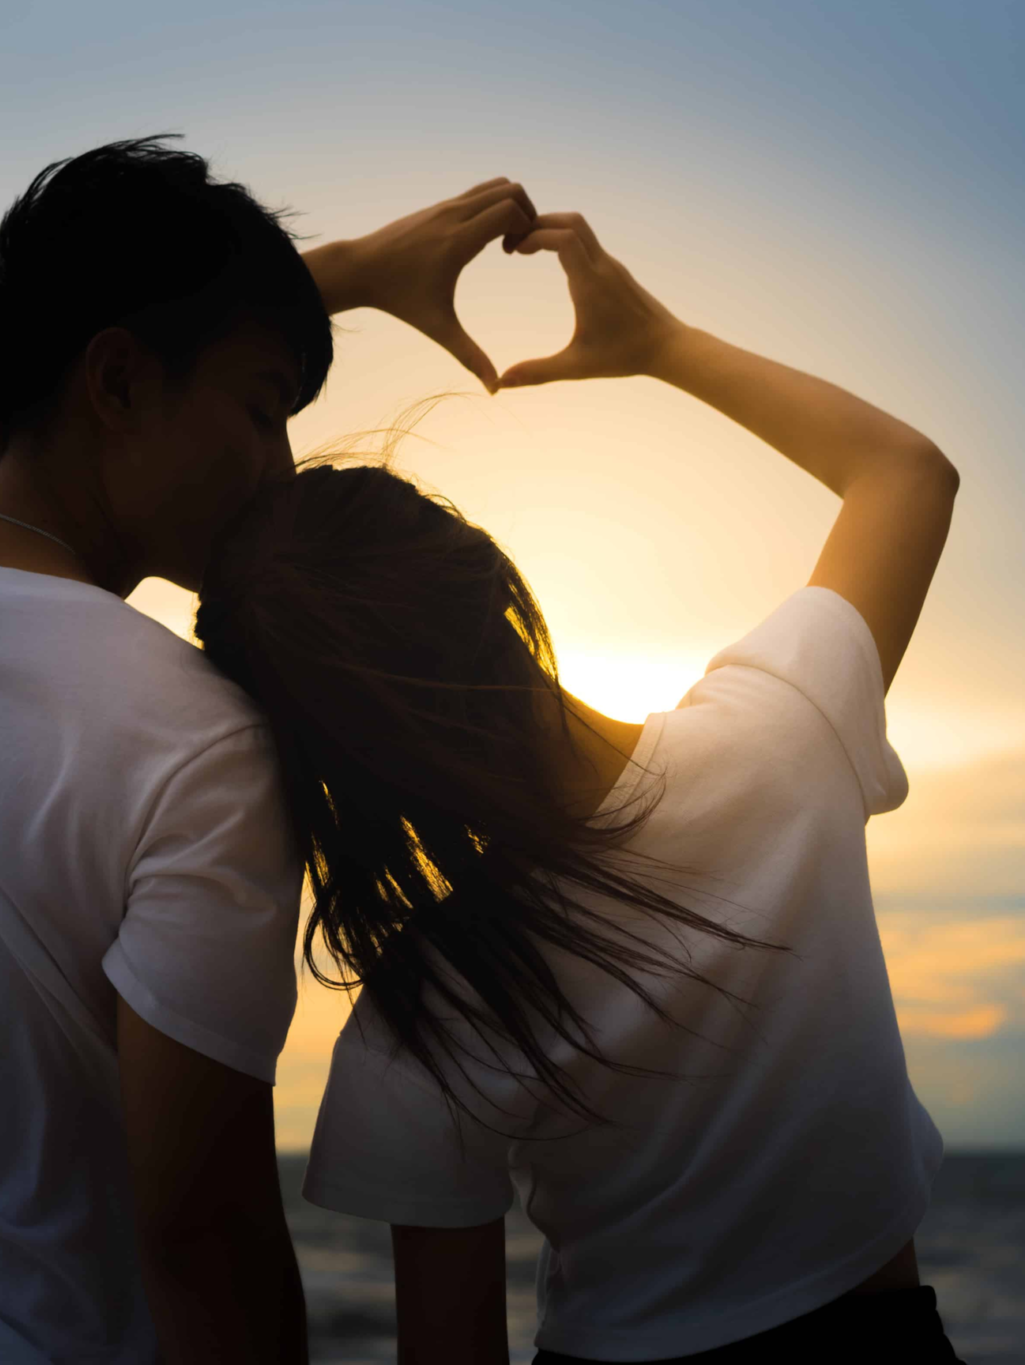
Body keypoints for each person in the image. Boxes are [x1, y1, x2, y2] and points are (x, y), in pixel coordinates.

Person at [0, 137, 540, 1364]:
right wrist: (343, 278)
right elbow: (202, 1242)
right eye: (262, 412)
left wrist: (349, 273)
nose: (279, 471)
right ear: (116, 383)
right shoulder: (197, 738)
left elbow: (30, 369)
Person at [194, 213, 965, 1363]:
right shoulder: (783, 737)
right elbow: (907, 471)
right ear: (492, 579)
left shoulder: (421, 1019)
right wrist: (656, 342)